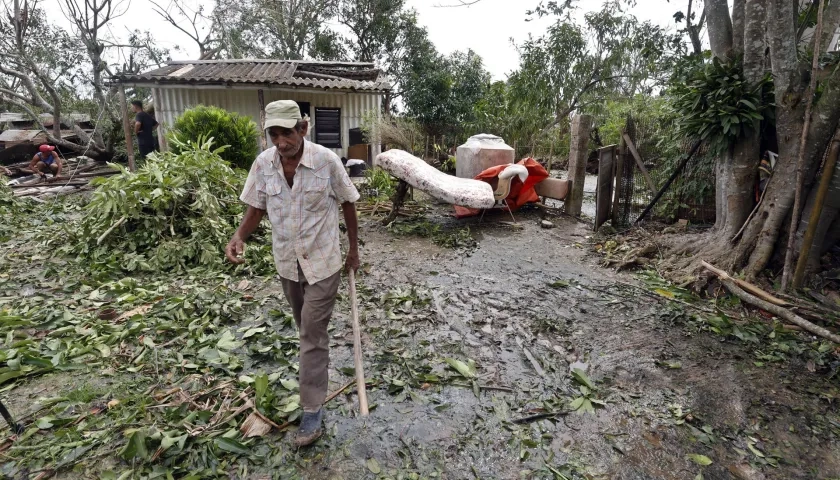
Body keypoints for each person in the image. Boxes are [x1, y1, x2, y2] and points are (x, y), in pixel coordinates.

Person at [225, 100, 360, 447]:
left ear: (302, 129)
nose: (280, 141)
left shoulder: (326, 162)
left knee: (312, 335)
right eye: (274, 133)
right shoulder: (263, 165)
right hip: (287, 263)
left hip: (323, 263)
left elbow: (348, 202)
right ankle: (315, 372)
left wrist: (354, 251)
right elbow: (256, 208)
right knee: (305, 329)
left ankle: (312, 411)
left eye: (287, 132)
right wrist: (239, 236)